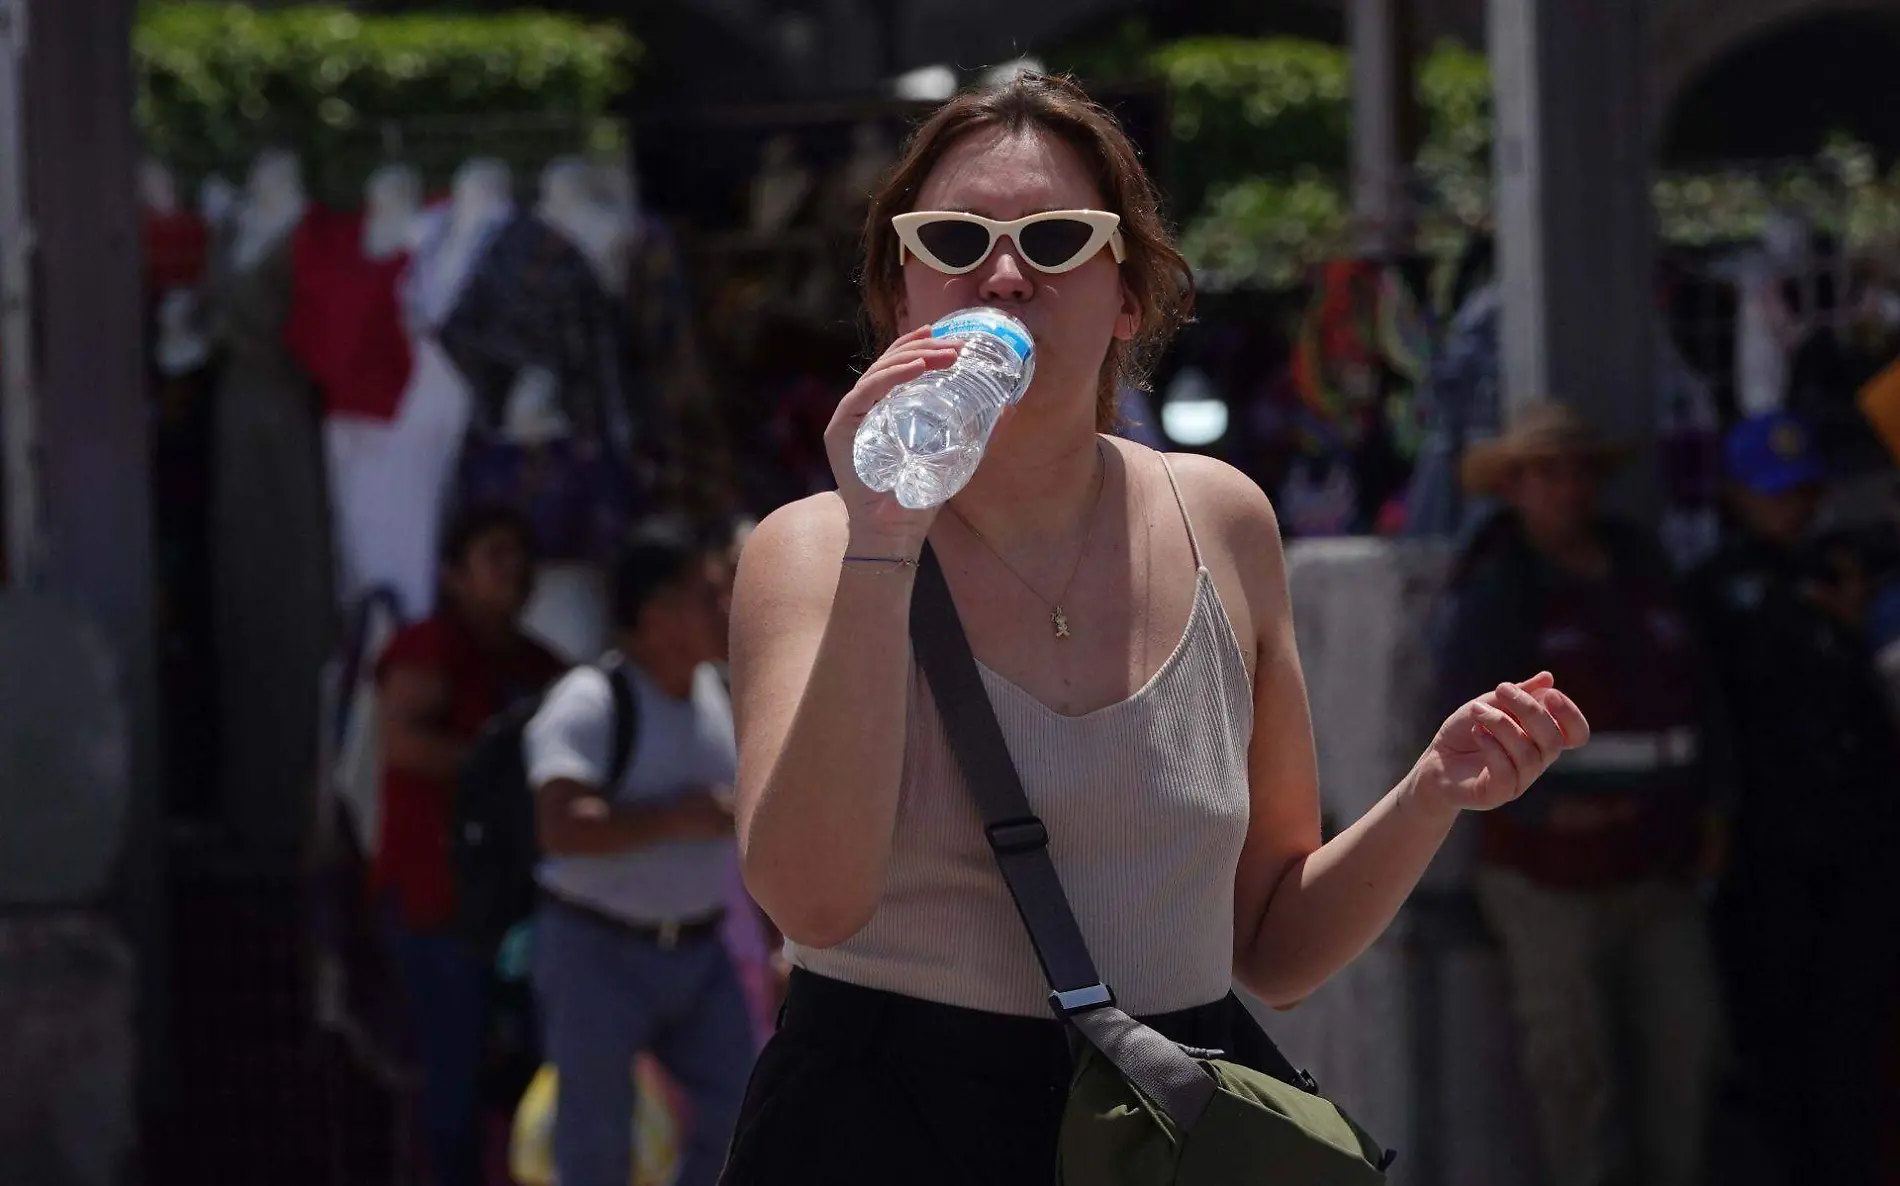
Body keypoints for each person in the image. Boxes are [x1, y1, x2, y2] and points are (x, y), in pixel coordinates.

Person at [720, 72, 1588, 1185]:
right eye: (952, 236)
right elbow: (809, 899)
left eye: (1052, 237)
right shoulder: (812, 545)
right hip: (884, 1126)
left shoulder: (1222, 519)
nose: (1002, 271)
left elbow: (1271, 947)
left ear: (1127, 293)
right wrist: (884, 541)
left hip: (1155, 1133)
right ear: (900, 292)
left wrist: (1432, 792)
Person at [1437, 400, 1725, 1186]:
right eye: (1545, 473)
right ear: (1515, 486)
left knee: (1686, 1053)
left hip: (1658, 869)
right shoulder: (1497, 590)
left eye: (1578, 472)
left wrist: (1713, 810)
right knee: (1575, 1073)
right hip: (1547, 879)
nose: (1566, 489)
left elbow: (1705, 696)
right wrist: (1544, 808)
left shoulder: (1644, 569)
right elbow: (1465, 726)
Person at [1691, 412, 1900, 1186]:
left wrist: (1851, 621)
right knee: (1776, 1042)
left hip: (1861, 848)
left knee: (1856, 1036)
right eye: (1776, 494)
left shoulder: (1851, 574)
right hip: (1765, 855)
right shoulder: (1717, 590)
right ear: (1737, 494)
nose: (1794, 509)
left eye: (1805, 492)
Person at [524, 521, 756, 1186]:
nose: (724, 609)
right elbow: (559, 826)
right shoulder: (589, 702)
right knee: (596, 1139)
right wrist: (675, 819)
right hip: (596, 951)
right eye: (706, 595)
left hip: (698, 952)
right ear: (655, 616)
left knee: (741, 1109)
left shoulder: (718, 697)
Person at [373, 505, 567, 1186]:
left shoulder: (537, 663)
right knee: (450, 1088)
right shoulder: (429, 648)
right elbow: (404, 743)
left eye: (519, 556)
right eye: (494, 555)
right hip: (437, 906)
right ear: (454, 574)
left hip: (518, 913)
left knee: (527, 1084)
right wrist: (501, 767)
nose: (512, 571)